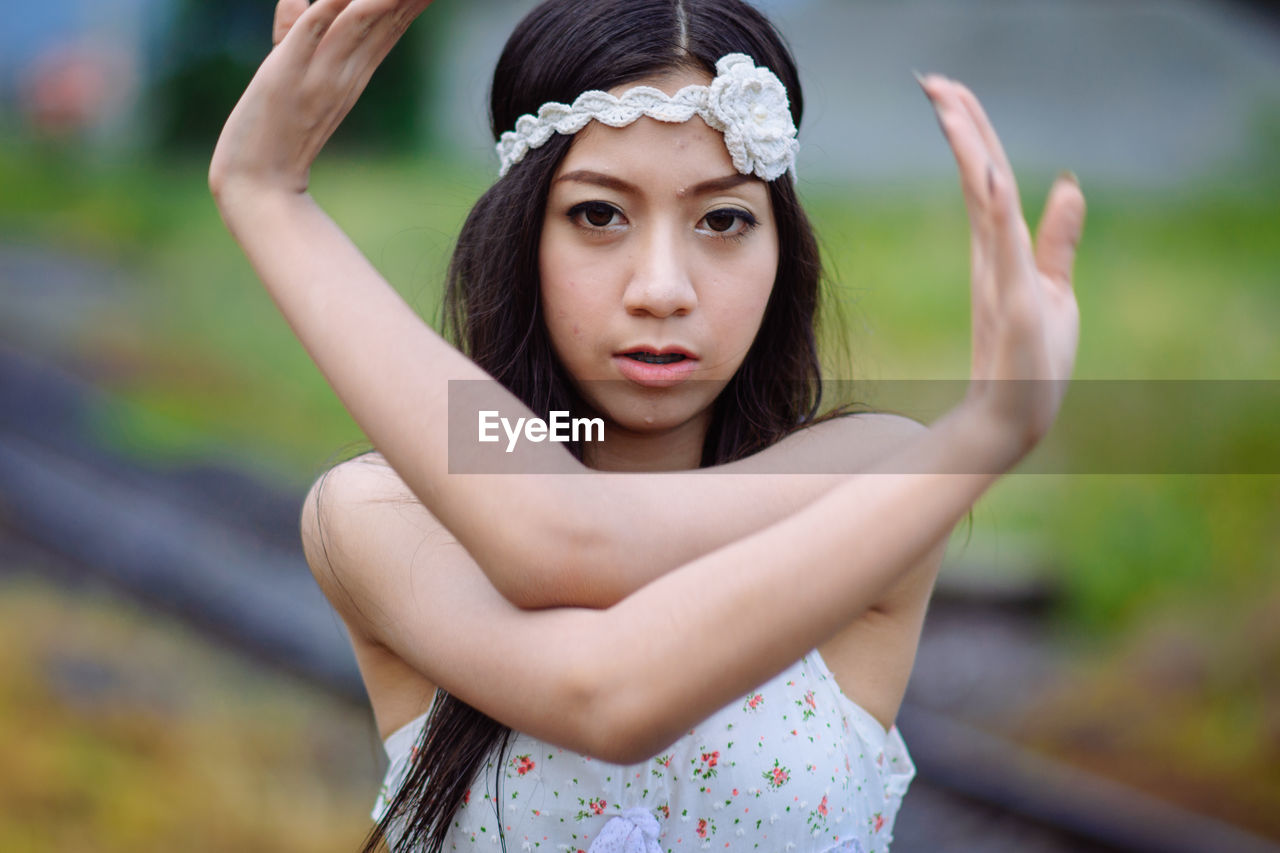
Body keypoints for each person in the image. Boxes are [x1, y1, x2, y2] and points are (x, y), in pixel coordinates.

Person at [209, 0, 1085, 850]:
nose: (662, 287)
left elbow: (582, 542)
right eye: (598, 214)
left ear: (783, 253)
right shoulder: (377, 515)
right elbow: (598, 665)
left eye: (724, 219)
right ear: (521, 238)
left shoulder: (871, 474)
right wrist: (266, 193)